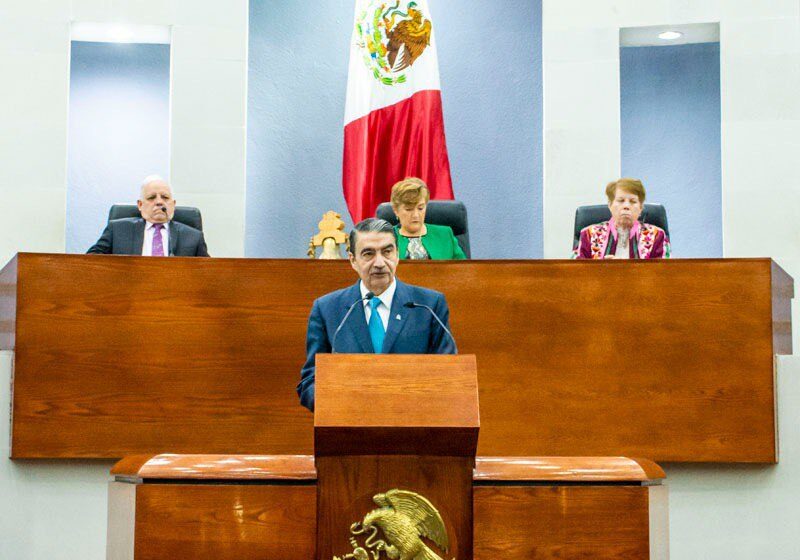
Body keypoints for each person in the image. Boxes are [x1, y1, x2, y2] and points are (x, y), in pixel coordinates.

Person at [297, 218, 457, 411]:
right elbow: (310, 381)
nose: (380, 263)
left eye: (387, 251)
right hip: (350, 427)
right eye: (368, 254)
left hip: (415, 426)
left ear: (397, 254)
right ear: (352, 260)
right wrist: (337, 403)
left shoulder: (429, 306)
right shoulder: (327, 309)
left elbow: (450, 376)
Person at [87, 176, 209, 256]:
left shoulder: (193, 237)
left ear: (173, 205)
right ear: (140, 205)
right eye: (151, 198)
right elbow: (91, 262)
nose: (159, 202)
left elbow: (209, 273)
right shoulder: (118, 230)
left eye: (165, 197)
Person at [573, 178, 670, 259]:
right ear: (610, 205)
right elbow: (575, 274)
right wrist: (602, 270)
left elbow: (665, 275)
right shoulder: (589, 235)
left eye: (633, 201)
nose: (626, 206)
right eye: (621, 200)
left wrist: (626, 271)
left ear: (640, 208)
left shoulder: (657, 236)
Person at [390, 177, 466, 260]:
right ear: (396, 210)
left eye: (420, 208)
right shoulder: (386, 237)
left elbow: (464, 270)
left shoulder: (445, 235)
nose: (416, 215)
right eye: (409, 209)